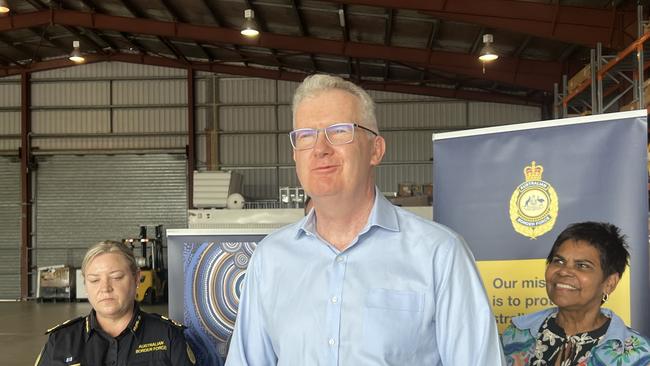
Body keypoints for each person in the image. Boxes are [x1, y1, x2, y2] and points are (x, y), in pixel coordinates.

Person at [226, 74, 505, 365]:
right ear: (296, 154)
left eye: (339, 131)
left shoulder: (439, 254)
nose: (320, 149)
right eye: (306, 136)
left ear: (376, 150)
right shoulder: (271, 259)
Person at [501, 222, 650, 365]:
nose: (564, 271)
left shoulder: (638, 355)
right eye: (558, 261)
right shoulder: (517, 335)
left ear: (609, 283)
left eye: (582, 265)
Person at [35, 240, 196, 366]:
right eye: (94, 280)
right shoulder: (61, 341)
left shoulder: (168, 336)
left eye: (117, 277)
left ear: (136, 278)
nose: (105, 288)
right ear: (85, 284)